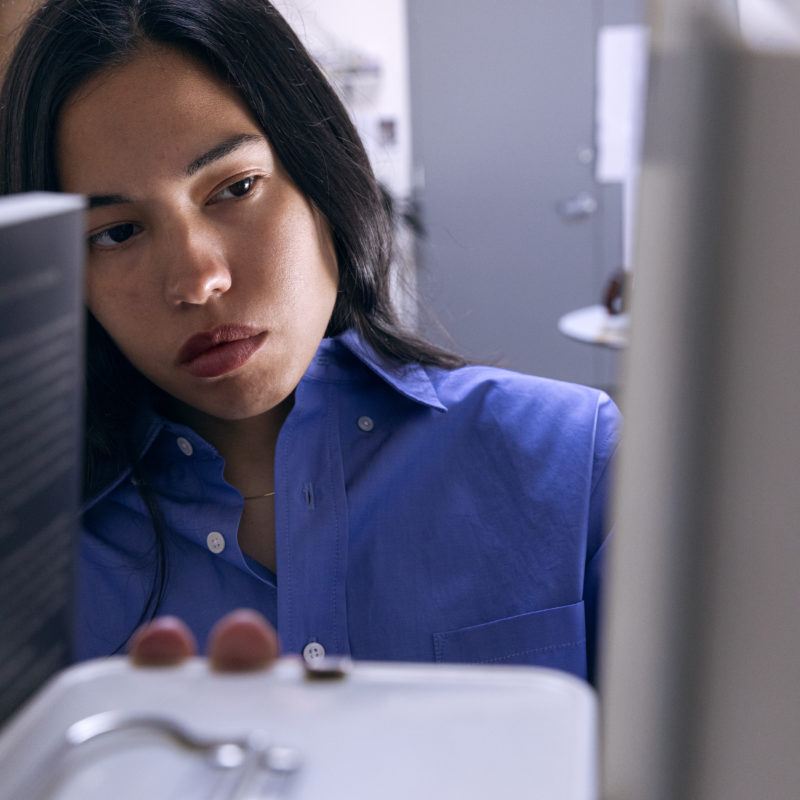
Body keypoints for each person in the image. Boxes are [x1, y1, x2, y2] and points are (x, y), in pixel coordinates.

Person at [0, 0, 619, 685]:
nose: (200, 279)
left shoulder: (576, 463)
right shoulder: (37, 564)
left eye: (234, 188)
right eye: (118, 233)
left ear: (319, 177)